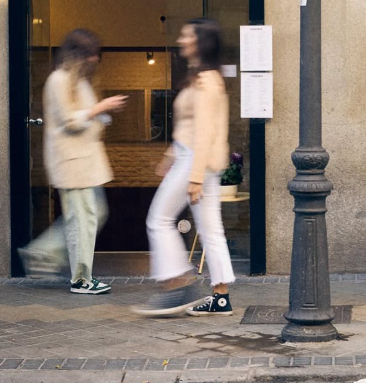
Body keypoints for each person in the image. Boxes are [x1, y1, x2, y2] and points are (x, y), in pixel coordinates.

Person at [132, 18, 235, 317]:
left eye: (187, 36)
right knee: (211, 230)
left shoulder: (206, 82)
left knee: (159, 219)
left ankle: (178, 283)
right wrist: (170, 156)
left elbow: (204, 133)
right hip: (193, 159)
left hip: (196, 161)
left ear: (201, 42)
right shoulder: (202, 78)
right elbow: (189, 128)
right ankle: (220, 298)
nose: (181, 40)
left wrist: (195, 176)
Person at [18, 29, 127, 294]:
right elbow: (71, 120)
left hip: (84, 163)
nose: (94, 61)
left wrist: (100, 114)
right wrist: (100, 108)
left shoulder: (78, 81)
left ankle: (44, 253)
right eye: (90, 56)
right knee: (83, 220)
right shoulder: (59, 80)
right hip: (71, 163)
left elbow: (86, 117)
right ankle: (80, 279)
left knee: (91, 215)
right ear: (77, 55)